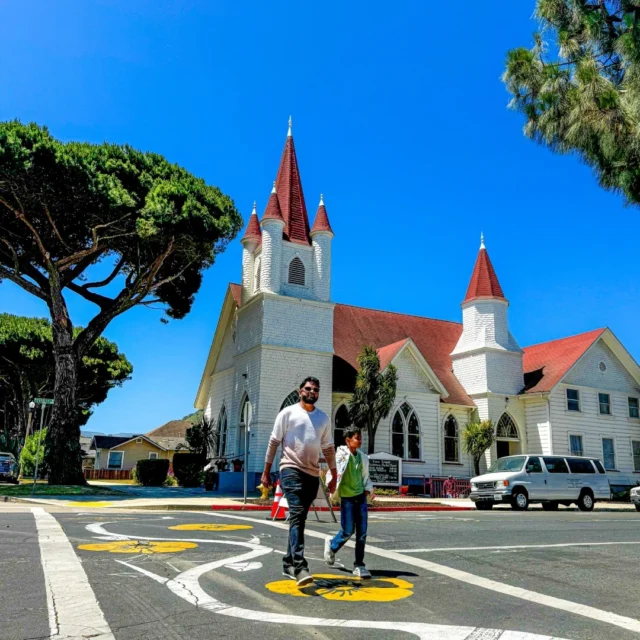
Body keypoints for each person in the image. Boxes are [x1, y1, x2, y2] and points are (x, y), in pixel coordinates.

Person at [262, 376, 337, 587]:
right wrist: (266, 472)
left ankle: (287, 562)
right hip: (290, 469)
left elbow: (328, 448)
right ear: (300, 391)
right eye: (307, 388)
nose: (311, 392)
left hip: (312, 474)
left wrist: (334, 474)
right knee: (296, 514)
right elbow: (274, 442)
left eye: (315, 389)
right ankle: (300, 566)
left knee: (299, 518)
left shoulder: (323, 418)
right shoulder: (288, 413)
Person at [323, 425, 373, 579]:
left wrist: (368, 489)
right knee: (348, 531)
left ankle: (359, 564)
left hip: (360, 498)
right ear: (348, 440)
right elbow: (333, 471)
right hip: (347, 499)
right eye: (357, 438)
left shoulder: (363, 458)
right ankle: (332, 544)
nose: (360, 441)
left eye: (360, 438)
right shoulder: (341, 455)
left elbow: (366, 476)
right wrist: (330, 485)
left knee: (362, 533)